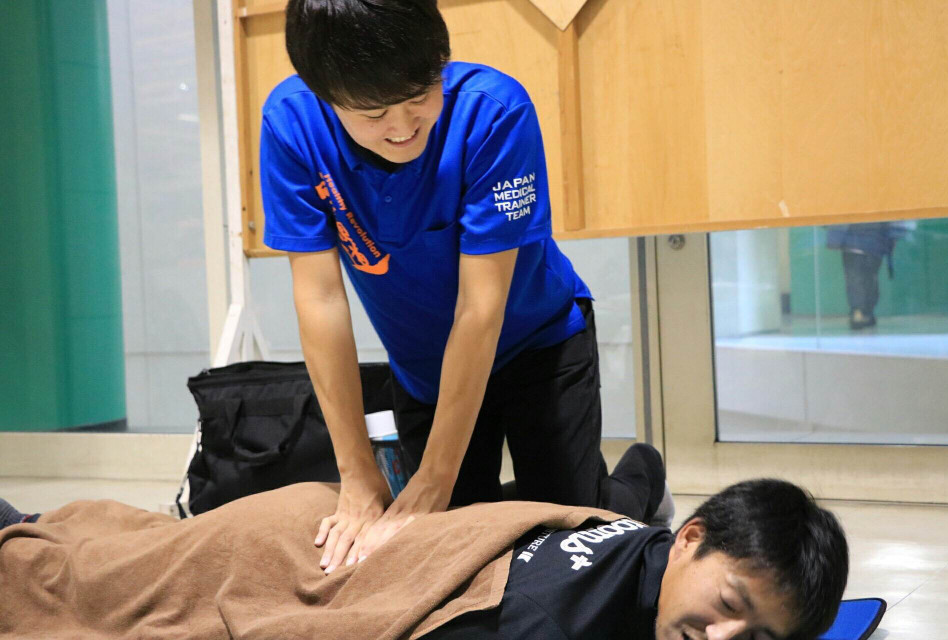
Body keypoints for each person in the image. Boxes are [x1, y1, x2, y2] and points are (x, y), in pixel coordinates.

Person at [262, 0, 661, 574]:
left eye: (419, 96)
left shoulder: (493, 112)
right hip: (423, 368)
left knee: (572, 539)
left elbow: (481, 309)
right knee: (449, 547)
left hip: (539, 344)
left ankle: (642, 478)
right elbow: (320, 300)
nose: (402, 128)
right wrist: (357, 476)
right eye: (373, 114)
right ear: (324, 95)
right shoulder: (292, 124)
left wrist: (434, 480)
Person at [0, 477, 848, 640]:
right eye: (730, 604)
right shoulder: (546, 623)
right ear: (691, 538)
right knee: (64, 578)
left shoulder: (648, 549)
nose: (724, 638)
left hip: (324, 522)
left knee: (117, 541)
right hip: (294, 553)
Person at [826, 222, 913, 330]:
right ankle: (863, 311)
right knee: (866, 277)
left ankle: (860, 312)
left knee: (857, 277)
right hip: (871, 240)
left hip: (862, 240)